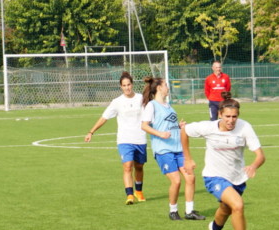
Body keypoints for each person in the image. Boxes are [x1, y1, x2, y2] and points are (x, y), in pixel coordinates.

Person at [181, 99, 265, 230]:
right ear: (219, 115)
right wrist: (188, 158)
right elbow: (184, 131)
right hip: (214, 176)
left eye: (234, 117)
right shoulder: (208, 127)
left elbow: (260, 156)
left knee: (226, 209)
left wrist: (254, 166)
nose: (231, 120)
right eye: (227, 116)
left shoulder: (245, 127)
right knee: (238, 205)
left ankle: (214, 228)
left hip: (237, 178)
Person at [139, 76, 207, 221]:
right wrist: (160, 134)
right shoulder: (152, 105)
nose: (168, 88)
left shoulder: (168, 106)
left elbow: (168, 124)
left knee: (190, 177)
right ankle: (173, 211)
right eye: (166, 85)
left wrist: (179, 126)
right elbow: (144, 125)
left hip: (178, 148)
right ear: (159, 88)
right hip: (163, 150)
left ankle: (189, 211)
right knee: (176, 181)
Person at [84, 72, 147, 205]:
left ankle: (139, 191)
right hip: (124, 139)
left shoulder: (141, 99)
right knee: (127, 166)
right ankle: (129, 195)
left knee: (139, 167)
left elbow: (152, 114)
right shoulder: (117, 102)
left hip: (140, 138)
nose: (127, 88)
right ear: (121, 87)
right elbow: (104, 117)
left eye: (129, 85)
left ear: (132, 84)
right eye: (124, 85)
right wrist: (91, 132)